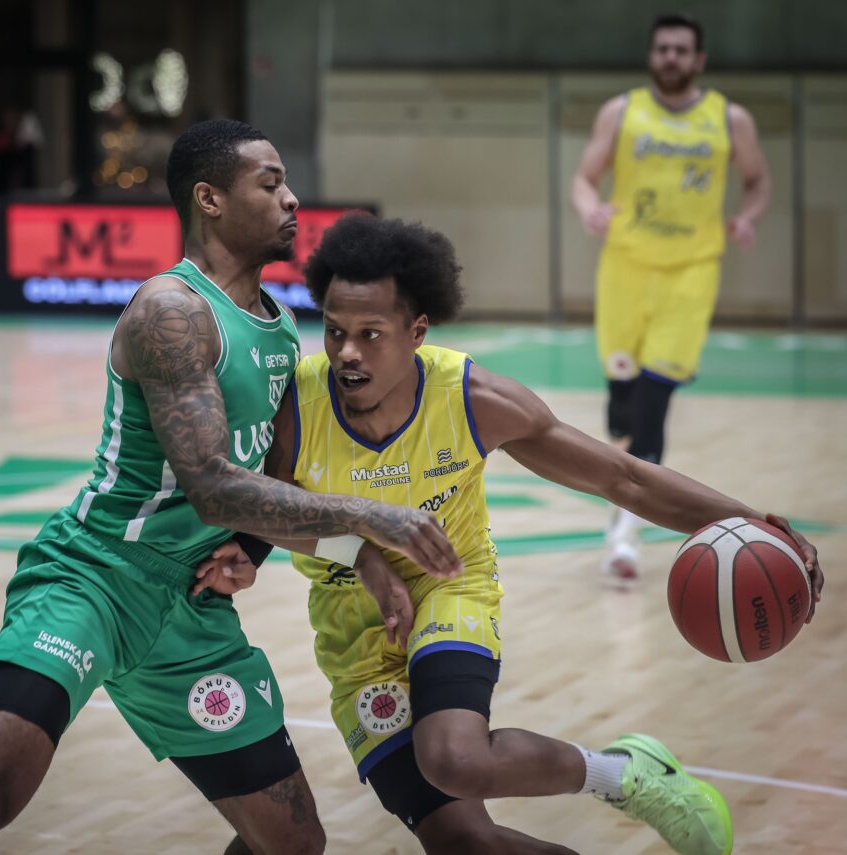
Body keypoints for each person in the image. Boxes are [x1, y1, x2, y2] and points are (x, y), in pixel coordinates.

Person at [0, 120, 462, 855]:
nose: (291, 200)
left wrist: (323, 553)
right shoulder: (172, 311)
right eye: (270, 184)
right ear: (210, 199)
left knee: (292, 843)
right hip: (94, 579)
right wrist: (372, 518)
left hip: (191, 605)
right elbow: (213, 484)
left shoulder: (281, 330)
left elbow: (267, 488)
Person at [194, 213, 823, 855]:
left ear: (416, 332)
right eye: (335, 331)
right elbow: (271, 510)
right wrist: (273, 554)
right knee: (466, 842)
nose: (347, 352)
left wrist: (749, 521)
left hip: (449, 587)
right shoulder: (298, 407)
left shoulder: (472, 399)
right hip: (352, 629)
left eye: (370, 334)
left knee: (456, 760)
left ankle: (622, 775)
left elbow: (625, 479)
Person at [570, 13, 772, 579]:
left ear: (698, 60)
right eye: (663, 49)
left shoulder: (730, 119)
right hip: (625, 268)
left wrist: (748, 216)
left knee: (653, 402)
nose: (671, 58)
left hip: (691, 273)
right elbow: (585, 177)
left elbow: (757, 179)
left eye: (682, 50)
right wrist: (590, 208)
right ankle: (622, 495)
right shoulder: (622, 111)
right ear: (651, 55)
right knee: (621, 405)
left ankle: (625, 534)